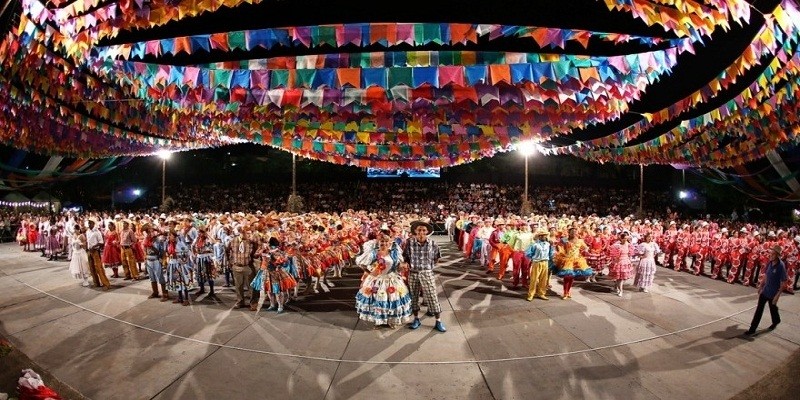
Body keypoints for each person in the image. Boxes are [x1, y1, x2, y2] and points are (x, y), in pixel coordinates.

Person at [355, 235, 411, 328]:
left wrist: (402, 268)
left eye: (386, 242)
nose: (384, 244)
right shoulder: (373, 253)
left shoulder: (394, 253)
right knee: (378, 300)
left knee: (391, 299)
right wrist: (370, 273)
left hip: (391, 279)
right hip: (377, 280)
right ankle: (379, 320)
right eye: (382, 242)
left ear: (389, 243)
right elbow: (361, 264)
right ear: (378, 243)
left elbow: (397, 267)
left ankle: (390, 320)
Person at [401, 220, 446, 333]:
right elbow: (405, 256)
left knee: (432, 296)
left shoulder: (432, 243)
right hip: (413, 273)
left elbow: (437, 257)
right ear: (415, 231)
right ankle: (416, 319)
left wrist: (428, 266)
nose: (421, 232)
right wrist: (406, 263)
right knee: (414, 297)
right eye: (419, 230)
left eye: (424, 230)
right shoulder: (409, 242)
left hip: (427, 273)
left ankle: (438, 321)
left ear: (427, 232)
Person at [745, 245, 787, 335]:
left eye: (773, 254)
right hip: (765, 291)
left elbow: (784, 283)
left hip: (773, 293)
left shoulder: (781, 266)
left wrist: (777, 296)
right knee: (759, 310)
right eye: (771, 253)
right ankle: (752, 329)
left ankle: (776, 321)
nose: (771, 255)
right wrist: (760, 286)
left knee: (773, 309)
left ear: (777, 255)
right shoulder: (770, 262)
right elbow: (766, 275)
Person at [525, 227, 553, 301]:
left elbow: (550, 253)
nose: (545, 236)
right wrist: (534, 258)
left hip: (545, 262)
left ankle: (541, 293)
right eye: (543, 235)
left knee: (543, 279)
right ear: (539, 236)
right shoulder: (534, 244)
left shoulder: (548, 244)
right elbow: (528, 253)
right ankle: (531, 294)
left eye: (545, 235)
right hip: (537, 262)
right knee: (534, 279)